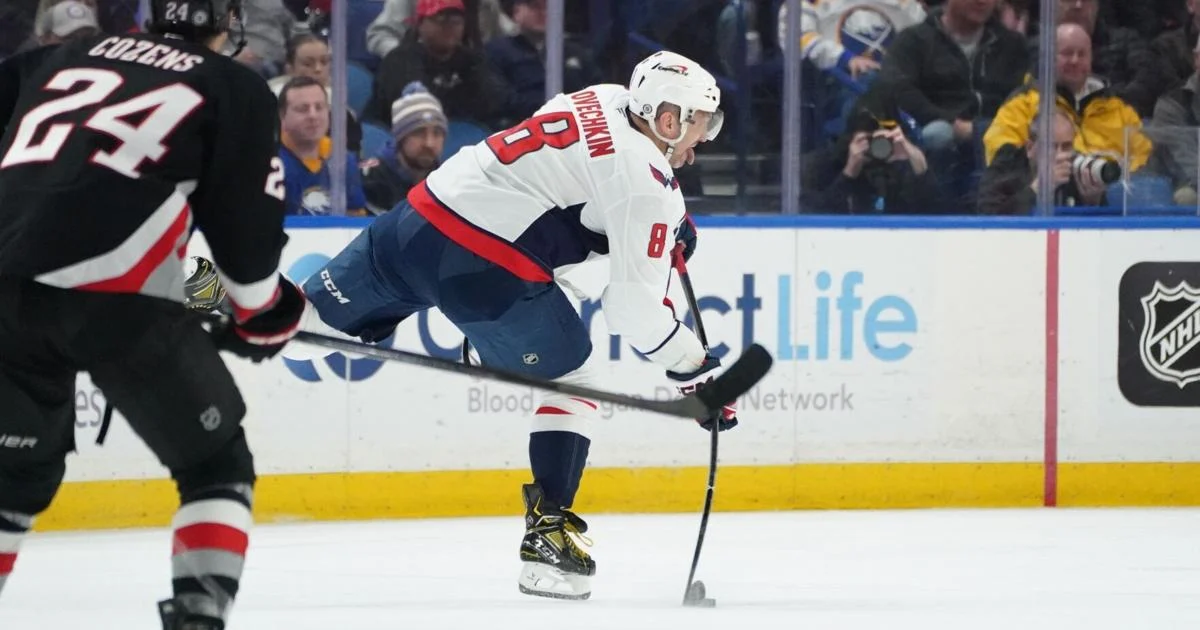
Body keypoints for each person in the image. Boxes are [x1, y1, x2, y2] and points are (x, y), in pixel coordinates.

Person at [189, 49, 738, 602]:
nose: (702, 139)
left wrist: (668, 224)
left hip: (418, 221)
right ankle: (548, 536)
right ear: (667, 120)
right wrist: (695, 372)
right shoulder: (647, 187)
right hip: (484, 271)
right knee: (579, 379)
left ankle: (210, 288)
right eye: (699, 123)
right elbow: (634, 309)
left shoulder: (601, 97)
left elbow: (578, 184)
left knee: (305, 335)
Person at [0, 0, 305, 627]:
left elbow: (156, 228)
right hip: (114, 305)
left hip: (5, 291)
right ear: (230, 26)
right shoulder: (231, 85)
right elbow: (240, 236)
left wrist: (212, 305)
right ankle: (196, 619)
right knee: (215, 467)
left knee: (7, 486)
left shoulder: (56, 58)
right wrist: (261, 312)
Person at [361, 81, 448, 214]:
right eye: (419, 133)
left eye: (437, 133)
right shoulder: (369, 181)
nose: (429, 143)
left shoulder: (448, 183)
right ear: (400, 138)